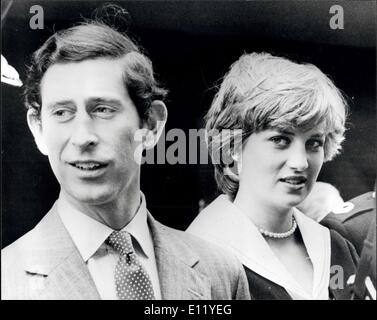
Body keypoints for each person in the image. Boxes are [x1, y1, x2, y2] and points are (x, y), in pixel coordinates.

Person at [1, 20, 250, 300]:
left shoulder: (220, 273)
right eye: (62, 113)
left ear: (152, 126)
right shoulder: (7, 280)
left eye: (103, 109)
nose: (83, 137)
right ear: (38, 129)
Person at [187, 52, 359, 299]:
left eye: (314, 143)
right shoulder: (200, 257)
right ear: (233, 147)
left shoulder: (336, 247)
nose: (300, 162)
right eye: (280, 139)